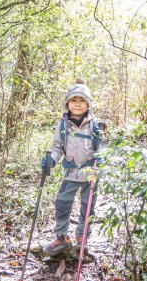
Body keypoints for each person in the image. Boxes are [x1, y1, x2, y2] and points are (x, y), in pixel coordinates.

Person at [41, 78, 105, 256]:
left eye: (82, 100)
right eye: (73, 100)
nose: (77, 104)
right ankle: (62, 238)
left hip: (90, 175)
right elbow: (57, 147)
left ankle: (81, 241)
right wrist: (51, 160)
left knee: (88, 209)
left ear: (88, 104)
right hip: (70, 174)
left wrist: (102, 158)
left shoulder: (96, 125)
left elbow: (104, 147)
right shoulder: (62, 124)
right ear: (67, 103)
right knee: (62, 204)